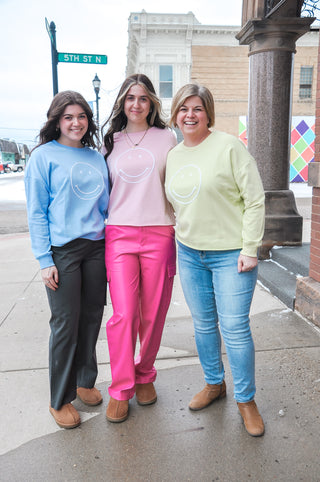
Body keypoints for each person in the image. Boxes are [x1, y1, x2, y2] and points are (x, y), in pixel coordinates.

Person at [165, 84, 265, 437]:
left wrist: (250, 248)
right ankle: (214, 383)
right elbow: (176, 201)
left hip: (231, 255)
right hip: (190, 253)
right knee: (204, 325)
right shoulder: (174, 154)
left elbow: (254, 199)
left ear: (208, 112)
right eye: (183, 109)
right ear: (175, 114)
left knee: (235, 328)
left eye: (197, 108)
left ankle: (246, 399)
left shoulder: (229, 147)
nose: (190, 115)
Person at [25, 91, 109, 429]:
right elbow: (36, 212)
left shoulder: (96, 157)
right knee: (65, 323)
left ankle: (84, 381)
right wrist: (45, 259)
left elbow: (104, 204)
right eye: (68, 117)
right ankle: (59, 398)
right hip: (63, 252)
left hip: (96, 247)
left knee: (91, 317)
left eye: (82, 116)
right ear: (57, 120)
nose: (76, 123)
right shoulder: (43, 157)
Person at [102, 73, 177, 423]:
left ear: (152, 103)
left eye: (143, 98)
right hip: (119, 234)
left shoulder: (167, 138)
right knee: (123, 314)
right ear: (122, 102)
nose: (136, 104)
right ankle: (120, 387)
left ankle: (145, 373)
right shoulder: (109, 142)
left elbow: (181, 182)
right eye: (130, 98)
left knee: (153, 313)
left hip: (159, 233)